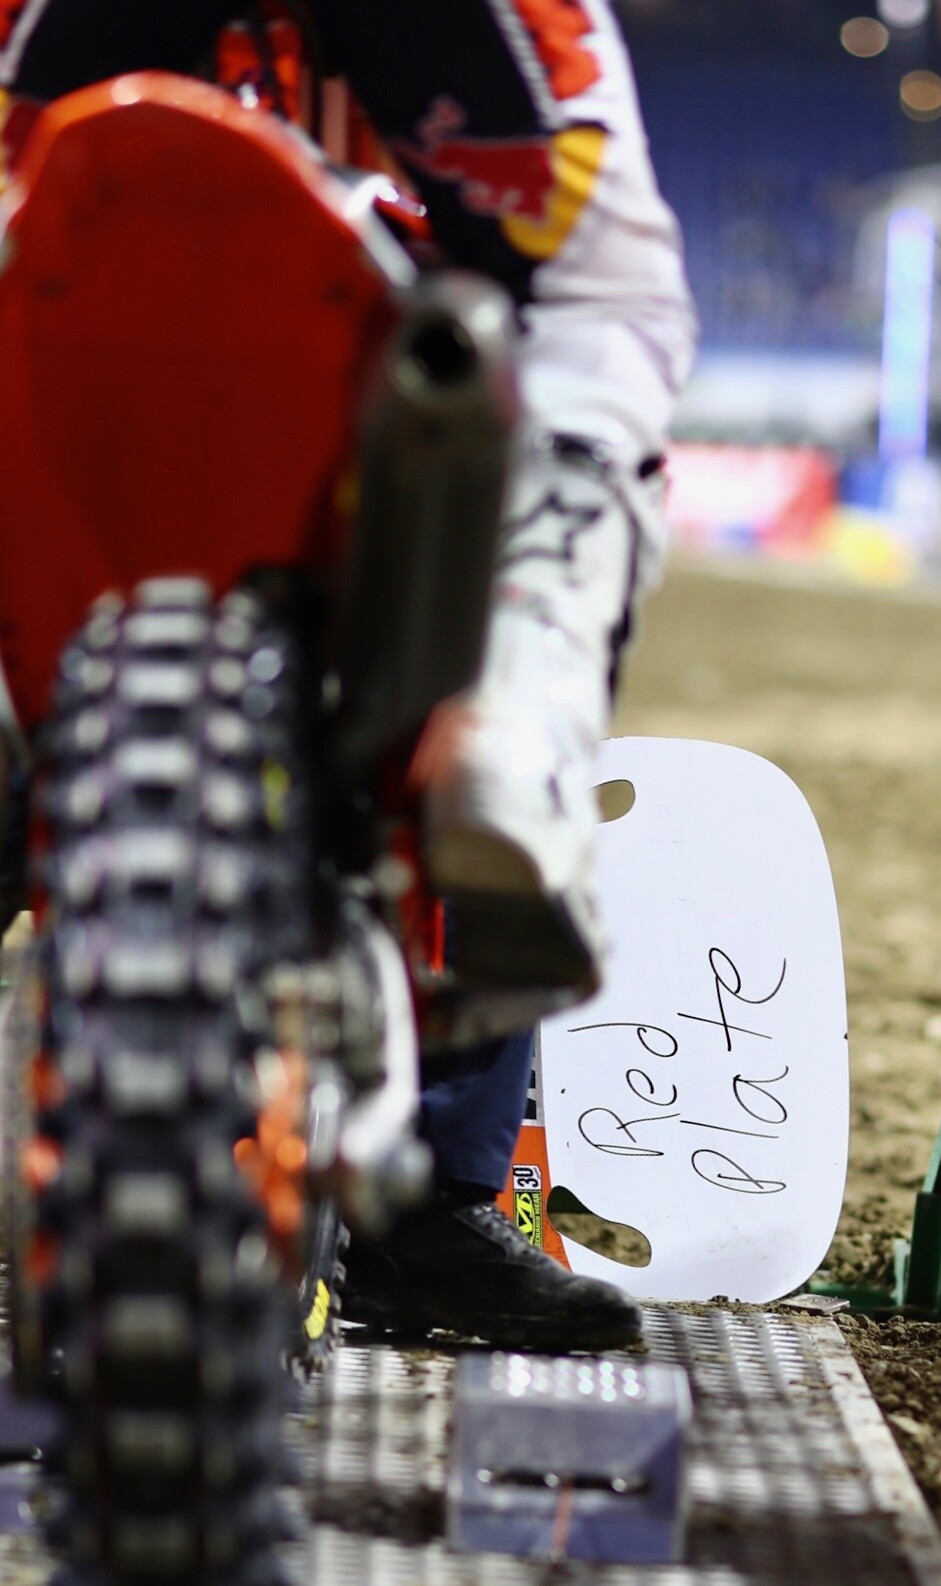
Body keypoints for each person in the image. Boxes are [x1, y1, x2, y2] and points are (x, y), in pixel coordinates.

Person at [0, 0, 696, 1351]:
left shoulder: (518, 26)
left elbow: (604, 299)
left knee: (469, 753)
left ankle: (425, 1197)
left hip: (396, 430)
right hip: (87, 400)